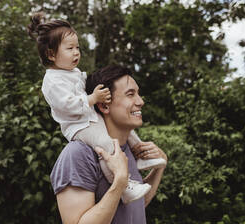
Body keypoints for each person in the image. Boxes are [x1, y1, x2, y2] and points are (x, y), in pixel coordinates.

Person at [27, 12, 166, 204]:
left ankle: (143, 156)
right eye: (70, 48)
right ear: (51, 54)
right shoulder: (52, 81)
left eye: (78, 47)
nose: (76, 52)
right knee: (105, 144)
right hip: (79, 125)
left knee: (129, 135)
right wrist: (93, 98)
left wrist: (159, 168)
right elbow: (68, 105)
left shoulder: (72, 72)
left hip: (89, 116)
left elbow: (138, 207)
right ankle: (125, 186)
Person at [50, 65, 168, 223]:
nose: (140, 102)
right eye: (130, 94)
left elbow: (136, 205)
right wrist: (119, 182)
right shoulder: (78, 154)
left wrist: (159, 168)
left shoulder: (127, 150)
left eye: (138, 94)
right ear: (104, 105)